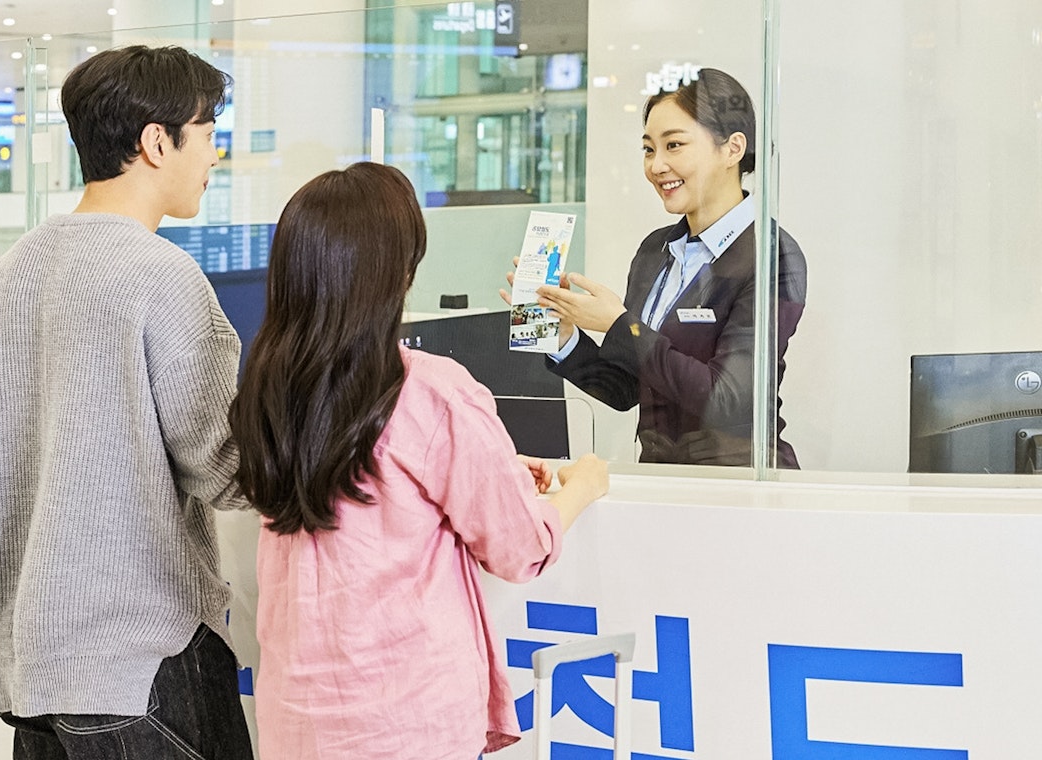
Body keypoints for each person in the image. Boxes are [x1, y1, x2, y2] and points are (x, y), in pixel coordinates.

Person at [0, 45, 253, 759]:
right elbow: (228, 472)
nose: (216, 154)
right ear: (158, 141)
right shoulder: (165, 278)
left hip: (32, 670)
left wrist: (41, 488)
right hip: (142, 663)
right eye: (210, 131)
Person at [228, 162, 610, 760]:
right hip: (408, 723)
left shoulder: (270, 388)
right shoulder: (432, 390)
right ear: (397, 273)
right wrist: (580, 486)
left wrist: (500, 469)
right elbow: (520, 547)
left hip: (296, 723)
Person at [519, 68, 806, 467]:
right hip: (660, 484)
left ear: (732, 149)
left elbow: (726, 400)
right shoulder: (656, 251)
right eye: (649, 149)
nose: (656, 166)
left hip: (738, 487)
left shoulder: (773, 256)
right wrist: (564, 334)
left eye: (674, 145)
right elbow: (625, 391)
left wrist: (621, 325)